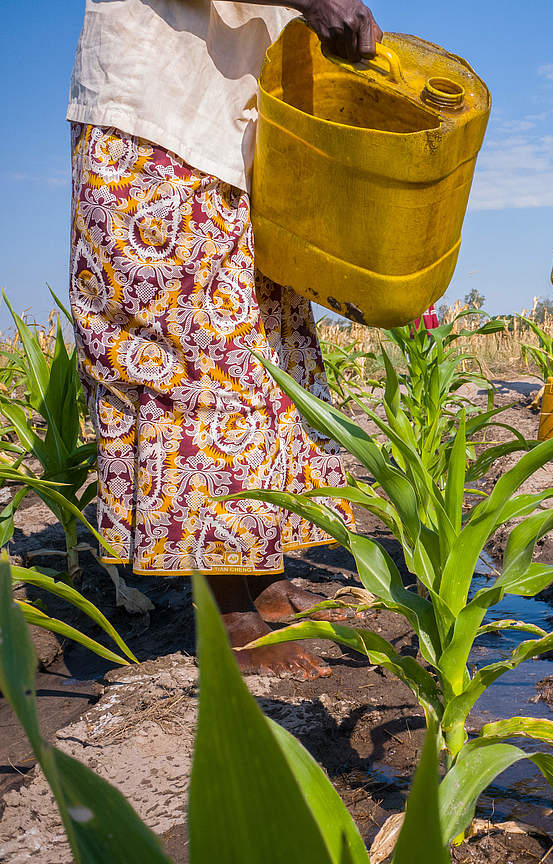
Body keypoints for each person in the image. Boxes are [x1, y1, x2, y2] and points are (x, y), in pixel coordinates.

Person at [66, 0, 384, 678]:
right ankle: (226, 611)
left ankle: (256, 575)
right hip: (162, 116)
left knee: (264, 350)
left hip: (230, 130)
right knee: (199, 357)